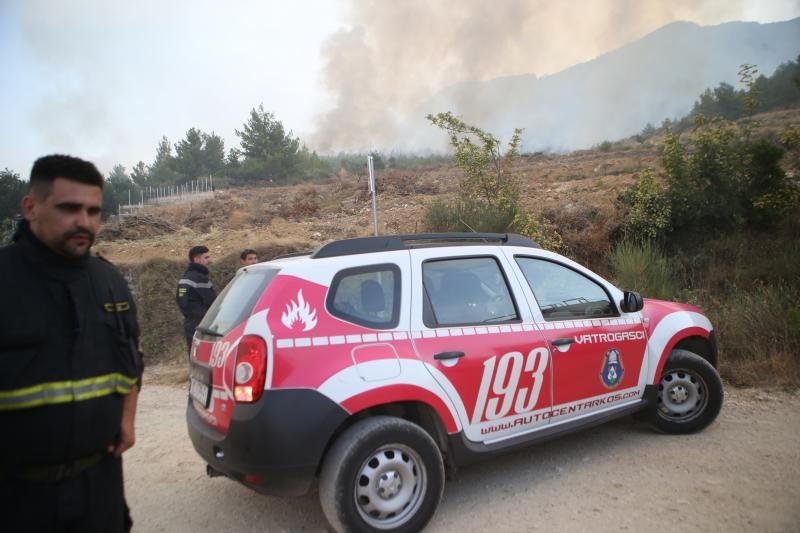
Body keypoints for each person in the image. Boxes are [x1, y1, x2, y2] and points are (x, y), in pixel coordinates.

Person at [0, 154, 144, 532]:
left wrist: (127, 419)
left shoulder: (109, 281)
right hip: (16, 496)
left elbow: (132, 358)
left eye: (93, 211)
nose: (85, 222)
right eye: (69, 208)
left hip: (99, 488)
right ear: (30, 208)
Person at [176, 245, 216, 351]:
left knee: (194, 353)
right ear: (196, 259)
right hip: (203, 324)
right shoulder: (200, 279)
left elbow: (181, 302)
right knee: (204, 354)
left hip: (191, 323)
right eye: (206, 257)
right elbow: (212, 303)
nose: (210, 260)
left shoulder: (186, 278)